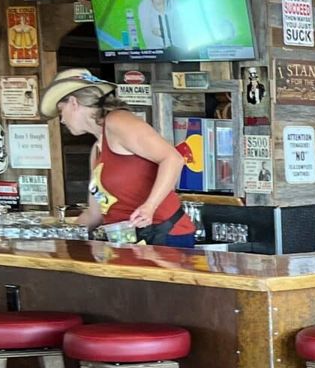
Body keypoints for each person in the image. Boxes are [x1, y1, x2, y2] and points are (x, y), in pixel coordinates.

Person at [40, 68, 197, 245]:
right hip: (126, 240)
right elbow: (95, 213)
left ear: (73, 103)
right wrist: (62, 239)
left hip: (163, 234)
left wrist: (150, 206)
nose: (61, 120)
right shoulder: (96, 150)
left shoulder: (118, 121)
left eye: (61, 111)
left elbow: (172, 158)